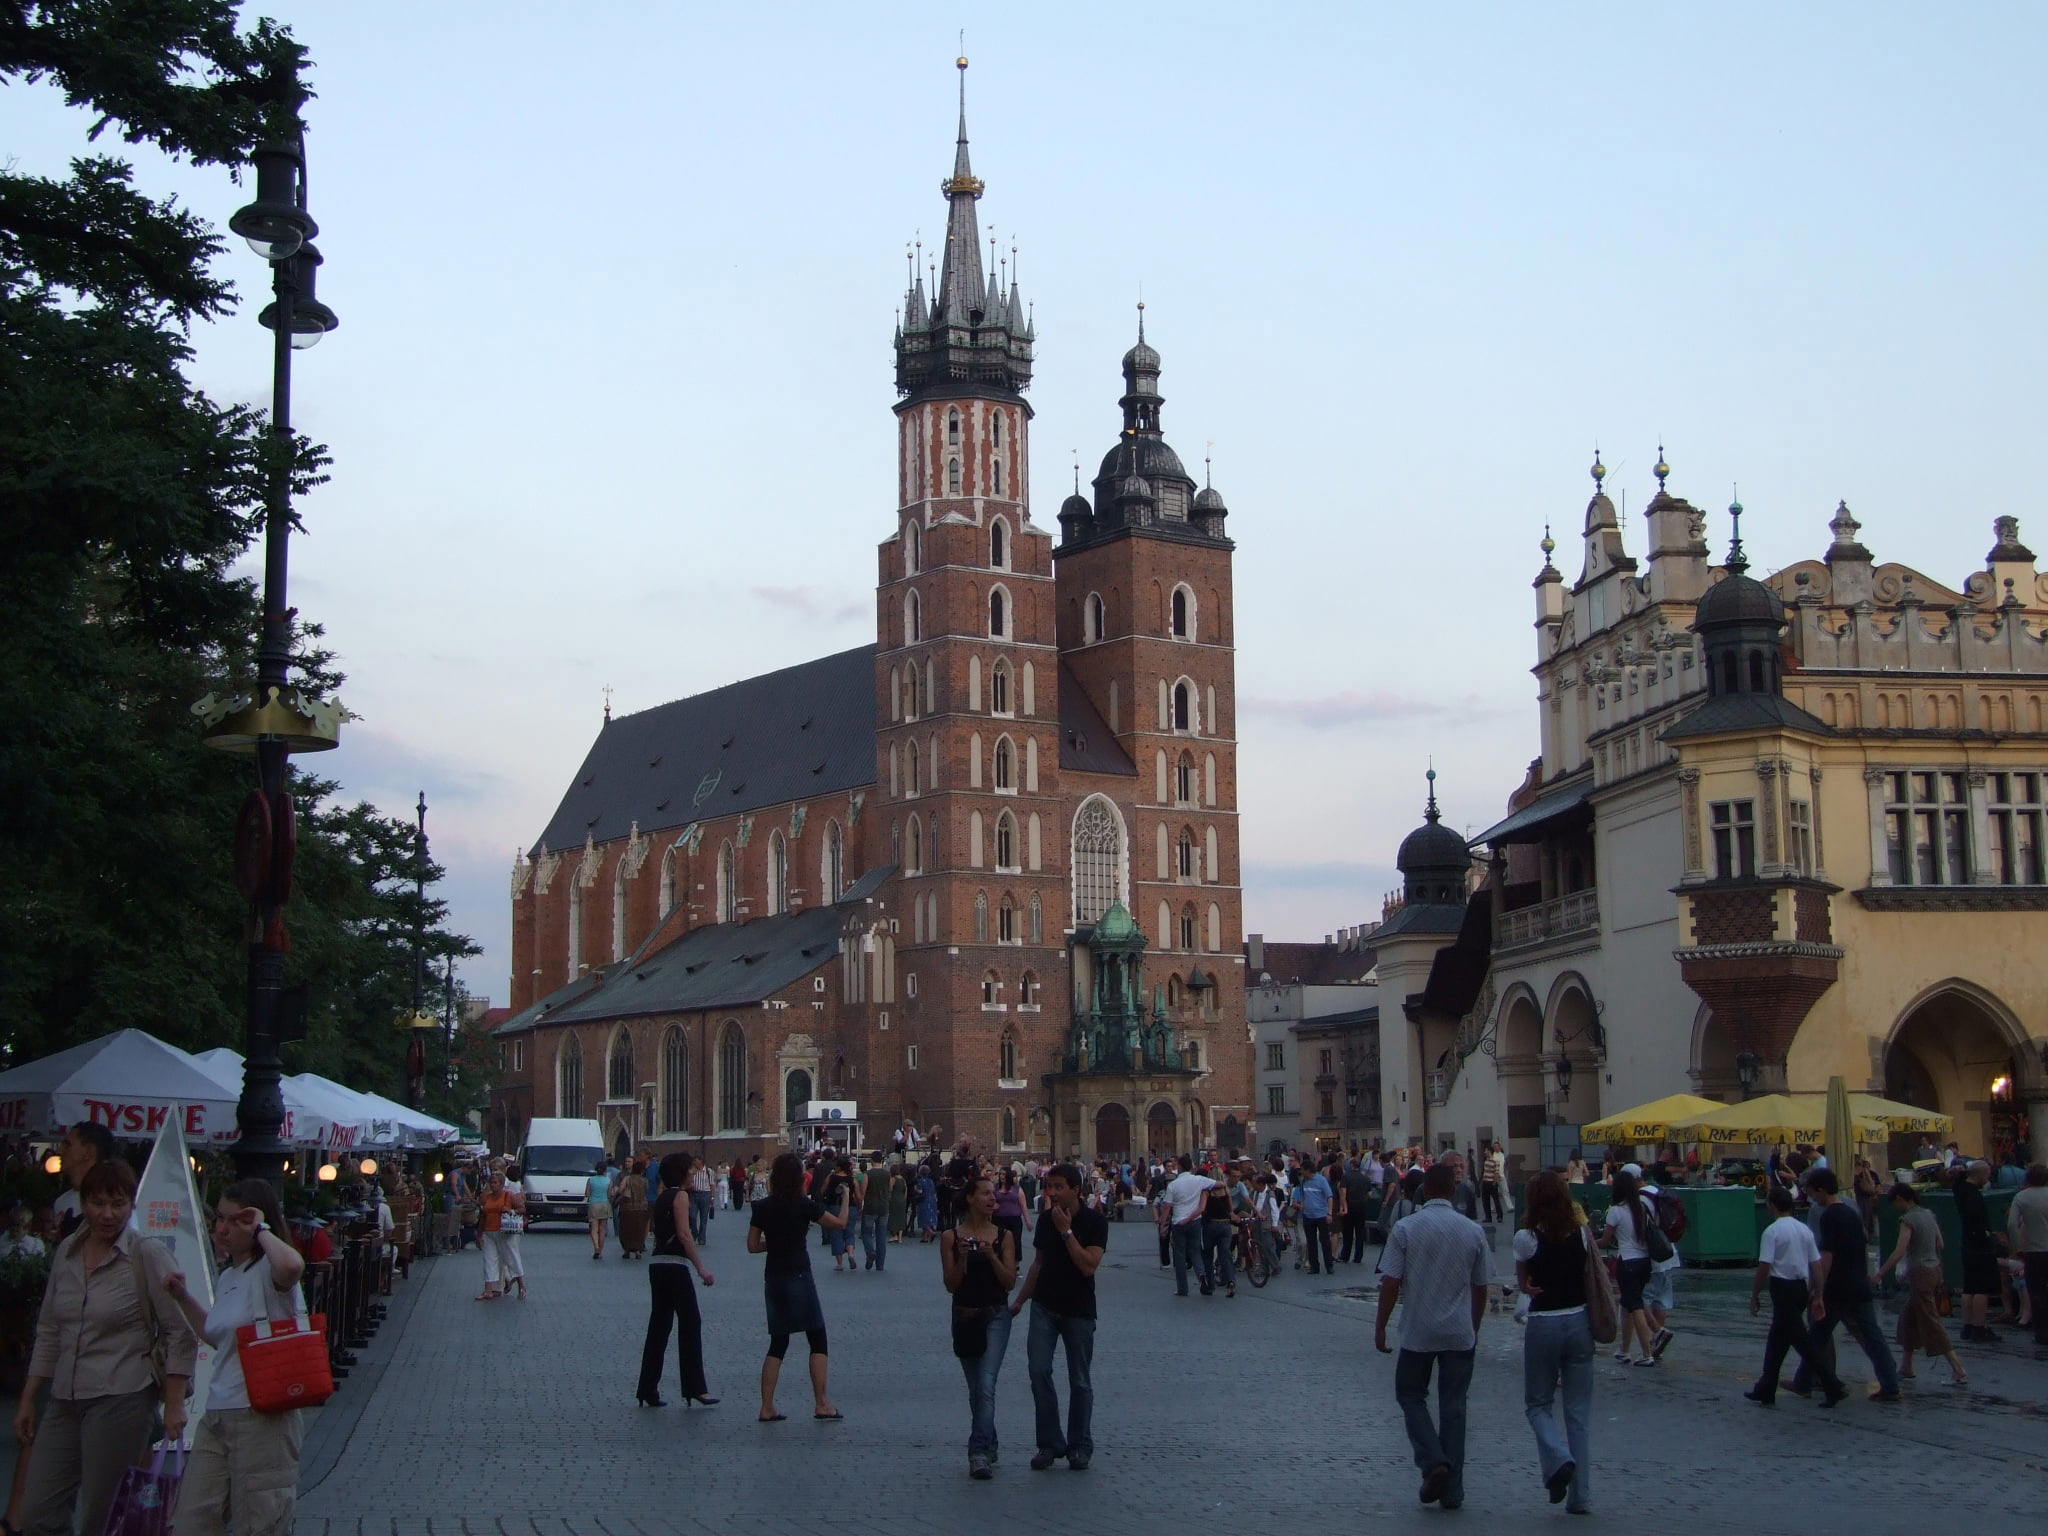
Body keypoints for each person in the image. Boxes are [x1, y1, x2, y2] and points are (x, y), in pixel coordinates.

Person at [17, 1159, 195, 1536]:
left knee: (102, 1514)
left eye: (118, 1203)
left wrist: (175, 1404)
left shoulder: (145, 1254)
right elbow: (49, 1329)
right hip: (64, 1396)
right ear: (83, 1203)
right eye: (97, 1203)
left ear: (132, 1205)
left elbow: (180, 1331)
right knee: (37, 1512)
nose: (107, 1214)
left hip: (122, 1394)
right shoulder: (68, 1251)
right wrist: (30, 1396)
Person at [159, 1178, 305, 1536]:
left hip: (262, 1416)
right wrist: (182, 1297)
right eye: (220, 1219)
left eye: (234, 1220)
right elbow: (215, 1334)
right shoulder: (229, 1276)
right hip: (219, 1414)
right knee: (191, 1520)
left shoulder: (270, 1272)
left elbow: (292, 1267)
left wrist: (262, 1230)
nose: (222, 1228)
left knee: (262, 1522)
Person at [1375, 1163, 1492, 1511]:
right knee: (1454, 1408)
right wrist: (1474, 1324)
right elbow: (1481, 1285)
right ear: (1454, 1190)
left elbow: (1391, 1282)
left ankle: (1432, 1461)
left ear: (1424, 1190)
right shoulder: (1472, 1231)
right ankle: (1453, 1490)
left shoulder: (1406, 1229)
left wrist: (1380, 1325)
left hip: (1417, 1329)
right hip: (1458, 1330)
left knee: (1410, 1395)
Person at [1011, 1164, 1105, 1472]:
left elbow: (1088, 1266)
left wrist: (1066, 1232)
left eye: (1058, 1187)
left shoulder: (1094, 1222)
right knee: (1038, 1372)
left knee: (1080, 1380)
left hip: (1078, 1310)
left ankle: (1079, 1445)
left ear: (1076, 1190)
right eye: (1048, 1186)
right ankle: (1050, 1443)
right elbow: (1038, 1264)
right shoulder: (1044, 1221)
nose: (1050, 1192)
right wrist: (1020, 1300)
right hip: (1044, 1307)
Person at [1513, 1171, 1592, 1513]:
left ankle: (1558, 1458)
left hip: (1544, 1322)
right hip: (1579, 1321)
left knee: (1538, 1404)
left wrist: (1528, 1286)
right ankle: (1581, 1497)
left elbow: (1524, 1283)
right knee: (1577, 1415)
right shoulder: (1582, 1234)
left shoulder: (1526, 1238)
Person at [748, 1152, 848, 1422]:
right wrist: (846, 1197)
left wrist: (775, 1243)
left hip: (774, 1277)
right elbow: (840, 1224)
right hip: (800, 1275)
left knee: (778, 1343)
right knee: (817, 1338)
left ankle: (766, 1407)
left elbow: (753, 1246)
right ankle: (822, 1403)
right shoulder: (804, 1205)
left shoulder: (762, 1207)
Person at [1789, 1168, 1901, 1402]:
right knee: (1872, 1336)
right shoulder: (1852, 1211)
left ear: (1821, 1190)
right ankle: (1890, 1383)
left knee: (1817, 1334)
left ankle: (1804, 1382)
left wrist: (1818, 1290)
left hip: (1837, 1287)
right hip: (1859, 1284)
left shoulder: (1827, 1215)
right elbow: (1863, 1241)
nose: (1810, 1196)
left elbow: (1826, 1256)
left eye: (1811, 1191)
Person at [943, 1175, 1019, 1479]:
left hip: (996, 1315)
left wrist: (990, 1255)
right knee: (977, 1390)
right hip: (963, 1315)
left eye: (993, 1194)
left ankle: (977, 1452)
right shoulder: (951, 1237)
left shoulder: (1005, 1236)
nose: (992, 1198)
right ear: (971, 1198)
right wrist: (962, 1259)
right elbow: (950, 1285)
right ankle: (990, 1440)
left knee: (986, 1385)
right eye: (986, 1193)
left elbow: (1009, 1282)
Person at [1745, 1184, 1846, 1407]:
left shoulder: (1772, 1232)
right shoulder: (1804, 1230)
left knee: (1801, 1342)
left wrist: (1755, 1293)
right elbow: (1816, 1264)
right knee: (1777, 1339)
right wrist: (1817, 1292)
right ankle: (1766, 1387)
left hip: (1782, 1288)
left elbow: (1764, 1266)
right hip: (1801, 1287)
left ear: (1772, 1206)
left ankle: (1832, 1384)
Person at [638, 1152, 717, 1409]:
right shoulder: (680, 1196)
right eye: (691, 1171)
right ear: (682, 1174)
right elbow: (684, 1234)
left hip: (657, 1265)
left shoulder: (662, 1197)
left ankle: (647, 1388)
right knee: (690, 1323)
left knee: (659, 1327)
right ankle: (694, 1387)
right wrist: (701, 1268)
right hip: (675, 1266)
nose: (694, 1174)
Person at [1874, 1183, 1966, 1386]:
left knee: (1931, 1320)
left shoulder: (1907, 1219)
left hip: (1919, 1272)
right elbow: (1940, 1244)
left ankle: (1957, 1368)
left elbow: (1899, 1251)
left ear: (1900, 1198)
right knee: (1909, 1317)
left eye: (1895, 1202)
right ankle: (1906, 1366)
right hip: (1933, 1269)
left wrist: (1880, 1273)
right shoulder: (1928, 1215)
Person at [1600, 1169, 1660, 1366]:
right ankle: (1624, 1349)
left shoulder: (1615, 1211)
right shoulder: (1641, 1208)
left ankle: (1646, 1353)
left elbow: (1606, 1240)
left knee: (1635, 1306)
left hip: (1628, 1261)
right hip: (1644, 1261)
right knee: (1627, 1304)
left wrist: (1589, 1239)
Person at [1953, 1160, 2002, 1340]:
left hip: (1966, 1243)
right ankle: (1979, 1327)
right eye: (1987, 1174)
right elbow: (1977, 1222)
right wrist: (1987, 1236)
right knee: (1981, 1288)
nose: (1988, 1178)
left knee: (1969, 1287)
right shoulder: (1974, 1195)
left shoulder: (1960, 1189)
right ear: (1980, 1174)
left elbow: (1954, 1180)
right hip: (1979, 1245)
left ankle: (1968, 1326)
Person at [49, 1121, 114, 1243]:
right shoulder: (61, 1201)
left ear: (88, 1152)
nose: (60, 1151)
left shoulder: (113, 1201)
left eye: (67, 1145)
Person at [2008, 1163, 2048, 1352]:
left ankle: (2042, 1332)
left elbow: (2011, 1225)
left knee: (2036, 1291)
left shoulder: (2021, 1197)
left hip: (2033, 1250)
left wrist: (2018, 1247)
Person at [1161, 1154, 1214, 1297]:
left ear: (1179, 1167)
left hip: (1178, 1221)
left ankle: (1182, 1288)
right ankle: (1202, 1275)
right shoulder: (1199, 1180)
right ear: (1191, 1166)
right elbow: (1217, 1184)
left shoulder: (1173, 1185)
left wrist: (1163, 1226)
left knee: (1179, 1256)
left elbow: (1167, 1206)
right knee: (1196, 1252)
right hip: (1195, 1221)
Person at [1291, 1159, 1335, 1275]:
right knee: (1311, 1242)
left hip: (1321, 1215)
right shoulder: (1303, 1182)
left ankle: (1329, 1265)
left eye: (1303, 1170)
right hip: (1308, 1216)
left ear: (1308, 1170)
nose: (1301, 1172)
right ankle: (1314, 1266)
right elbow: (1302, 1196)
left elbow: (1329, 1196)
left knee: (1325, 1241)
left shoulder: (1321, 1180)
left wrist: (1329, 1213)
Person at [1199, 1171, 1237, 1299]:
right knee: (1225, 1255)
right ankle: (1231, 1281)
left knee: (1208, 1256)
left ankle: (1210, 1286)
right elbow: (1230, 1210)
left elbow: (1202, 1208)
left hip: (1211, 1225)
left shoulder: (1207, 1191)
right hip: (1225, 1225)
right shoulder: (1226, 1190)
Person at [476, 1167, 512, 1300]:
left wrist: (509, 1210)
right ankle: (488, 1290)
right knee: (489, 1260)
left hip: (502, 1232)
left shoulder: (508, 1196)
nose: (492, 1185)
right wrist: (479, 1234)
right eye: (491, 1182)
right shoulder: (487, 1198)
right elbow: (483, 1216)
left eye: (495, 1182)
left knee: (503, 1261)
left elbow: (520, 1209)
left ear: (502, 1184)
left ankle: (506, 1282)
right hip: (488, 1232)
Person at [1338, 1158, 1374, 1264]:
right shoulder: (1365, 1178)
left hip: (1349, 1206)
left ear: (1352, 1165)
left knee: (1347, 1232)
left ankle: (1345, 1255)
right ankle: (1358, 1256)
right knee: (1360, 1232)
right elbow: (1370, 1194)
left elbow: (1343, 1192)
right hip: (1361, 1206)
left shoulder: (1346, 1176)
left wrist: (1342, 1206)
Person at [860, 1159, 893, 1272]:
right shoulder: (888, 1174)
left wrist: (861, 1203)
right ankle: (880, 1265)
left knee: (866, 1232)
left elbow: (863, 1191)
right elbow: (890, 1189)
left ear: (871, 1161)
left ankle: (870, 1252)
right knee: (881, 1236)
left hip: (870, 1207)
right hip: (884, 1208)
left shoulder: (867, 1174)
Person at [615, 1160, 650, 1260]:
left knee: (626, 1229)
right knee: (639, 1230)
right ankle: (638, 1251)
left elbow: (620, 1190)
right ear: (642, 1171)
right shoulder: (645, 1180)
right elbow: (646, 1190)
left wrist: (617, 1196)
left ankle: (627, 1250)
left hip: (627, 1208)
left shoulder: (627, 1178)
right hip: (642, 1208)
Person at [585, 1158, 613, 1259]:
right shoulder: (608, 1181)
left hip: (594, 1205)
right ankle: (600, 1251)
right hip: (604, 1204)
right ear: (605, 1170)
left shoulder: (591, 1180)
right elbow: (610, 1194)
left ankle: (596, 1247)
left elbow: (587, 1193)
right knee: (602, 1229)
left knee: (594, 1229)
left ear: (596, 1169)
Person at [688, 1156, 716, 1244]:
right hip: (694, 1194)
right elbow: (688, 1182)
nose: (694, 1163)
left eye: (696, 1162)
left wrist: (712, 1197)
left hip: (705, 1194)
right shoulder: (692, 1171)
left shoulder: (709, 1171)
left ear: (701, 1162)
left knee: (703, 1218)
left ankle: (702, 1238)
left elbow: (712, 1185)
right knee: (692, 1216)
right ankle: (694, 1232)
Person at [1481, 1142, 1508, 1225]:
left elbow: (1496, 1172)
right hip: (1485, 1183)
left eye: (1486, 1151)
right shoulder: (1486, 1160)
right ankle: (1488, 1217)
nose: (1484, 1152)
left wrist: (1494, 1183)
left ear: (1489, 1151)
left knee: (1496, 1200)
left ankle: (1499, 1216)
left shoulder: (1495, 1161)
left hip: (1491, 1183)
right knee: (1485, 1201)